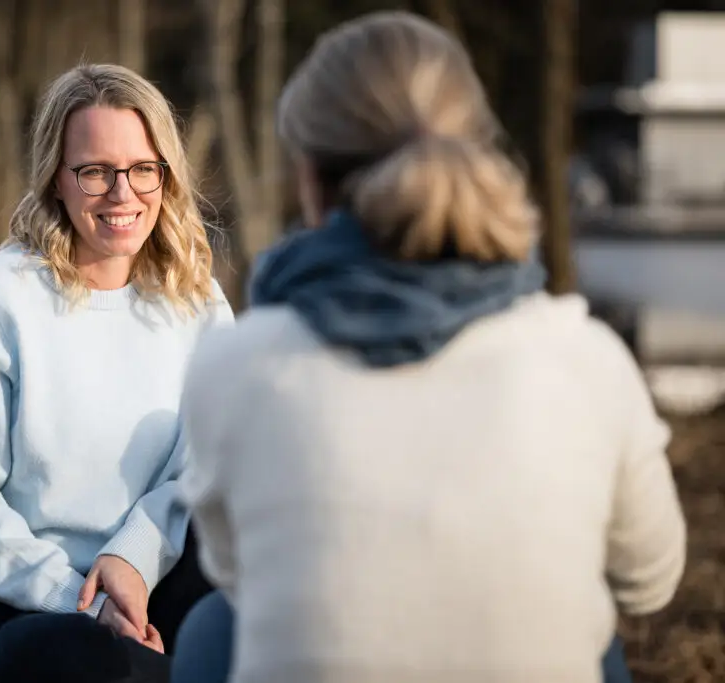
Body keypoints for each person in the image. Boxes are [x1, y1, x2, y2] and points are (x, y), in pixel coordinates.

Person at [172, 11, 686, 683]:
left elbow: (234, 571)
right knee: (592, 632)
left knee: (210, 630)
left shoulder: (236, 363)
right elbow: (649, 582)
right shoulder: (586, 359)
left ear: (311, 179)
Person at [0, 63, 233, 683]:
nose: (123, 194)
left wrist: (134, 557)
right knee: (84, 662)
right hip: (27, 611)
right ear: (56, 179)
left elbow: (212, 465)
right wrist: (82, 600)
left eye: (143, 169)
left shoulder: (198, 303)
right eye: (95, 172)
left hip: (159, 588)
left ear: (166, 175)